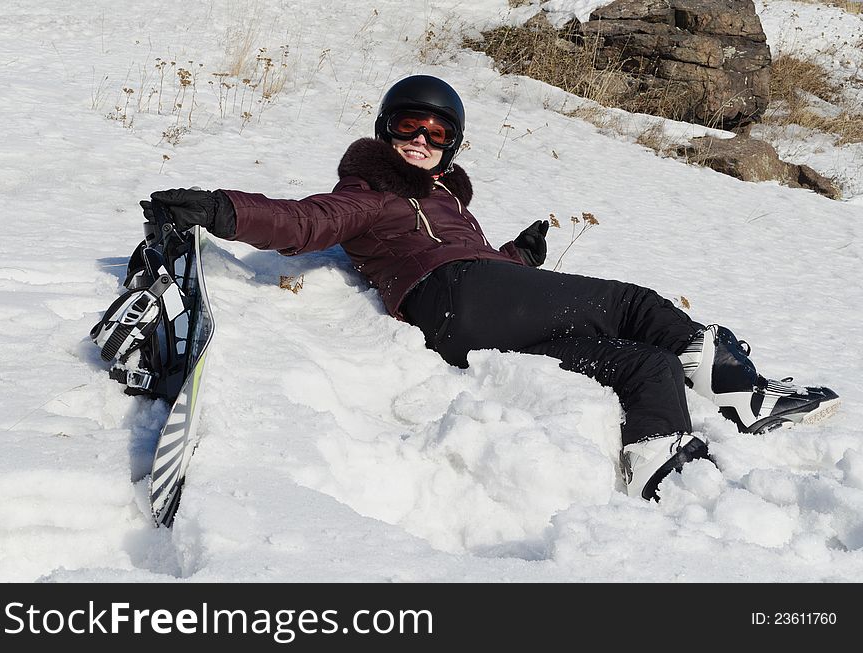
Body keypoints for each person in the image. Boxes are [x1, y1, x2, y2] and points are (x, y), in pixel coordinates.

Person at [140, 75, 840, 501]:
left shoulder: (450, 206)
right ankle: (743, 392)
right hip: (451, 298)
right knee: (632, 304)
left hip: (472, 310)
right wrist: (222, 209)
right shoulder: (371, 192)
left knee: (645, 362)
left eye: (436, 132)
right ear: (385, 134)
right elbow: (304, 221)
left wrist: (520, 255)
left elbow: (481, 269)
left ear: (452, 145)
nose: (421, 138)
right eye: (408, 127)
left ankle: (665, 472)